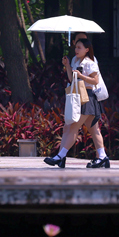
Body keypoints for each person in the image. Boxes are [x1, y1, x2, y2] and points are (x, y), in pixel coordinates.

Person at [44, 37, 109, 169]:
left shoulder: (90, 63)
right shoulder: (75, 60)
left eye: (79, 47)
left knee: (73, 127)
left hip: (88, 97)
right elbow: (71, 78)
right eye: (76, 47)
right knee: (94, 130)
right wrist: (67, 65)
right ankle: (103, 157)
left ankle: (60, 156)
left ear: (87, 49)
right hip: (80, 97)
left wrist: (81, 75)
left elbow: (95, 81)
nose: (76, 50)